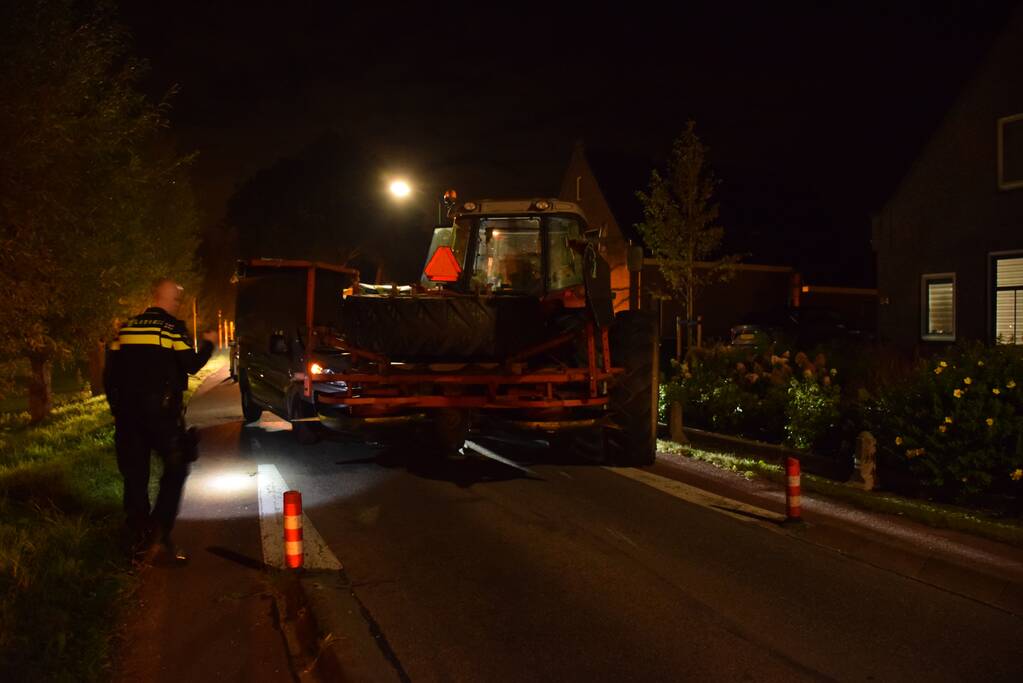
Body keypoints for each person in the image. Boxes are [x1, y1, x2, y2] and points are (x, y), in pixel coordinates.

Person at [104, 278, 217, 565]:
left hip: (128, 416)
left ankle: (138, 539)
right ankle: (160, 530)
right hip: (162, 417)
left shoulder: (126, 327)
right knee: (176, 466)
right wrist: (208, 344)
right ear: (172, 300)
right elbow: (191, 365)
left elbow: (109, 373)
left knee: (135, 477)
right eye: (178, 299)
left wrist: (116, 407)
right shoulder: (171, 328)